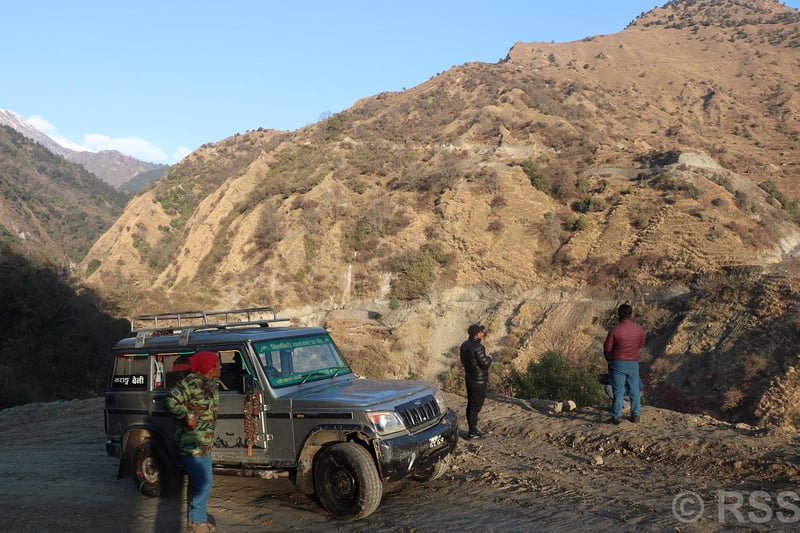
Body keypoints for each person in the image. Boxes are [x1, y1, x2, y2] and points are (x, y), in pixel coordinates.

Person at [166, 351, 221, 533]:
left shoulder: (211, 383)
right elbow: (171, 400)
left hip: (204, 444)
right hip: (191, 445)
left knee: (204, 483)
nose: (220, 366)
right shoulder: (189, 384)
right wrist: (187, 415)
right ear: (209, 368)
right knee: (203, 484)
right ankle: (198, 523)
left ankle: (194, 522)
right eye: (217, 364)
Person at [603, 304, 645, 425]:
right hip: (633, 363)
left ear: (619, 315)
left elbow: (607, 348)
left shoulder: (615, 330)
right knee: (634, 390)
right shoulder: (639, 329)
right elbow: (641, 345)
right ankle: (636, 415)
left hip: (618, 363)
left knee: (618, 391)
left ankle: (616, 416)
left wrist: (610, 361)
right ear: (631, 315)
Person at [460, 324, 493, 440]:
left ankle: (472, 430)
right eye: (481, 332)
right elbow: (484, 364)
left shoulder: (464, 345)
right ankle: (472, 433)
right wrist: (490, 358)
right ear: (477, 334)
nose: (482, 334)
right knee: (475, 407)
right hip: (479, 381)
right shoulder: (478, 347)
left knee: (471, 405)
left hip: (469, 378)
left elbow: (464, 361)